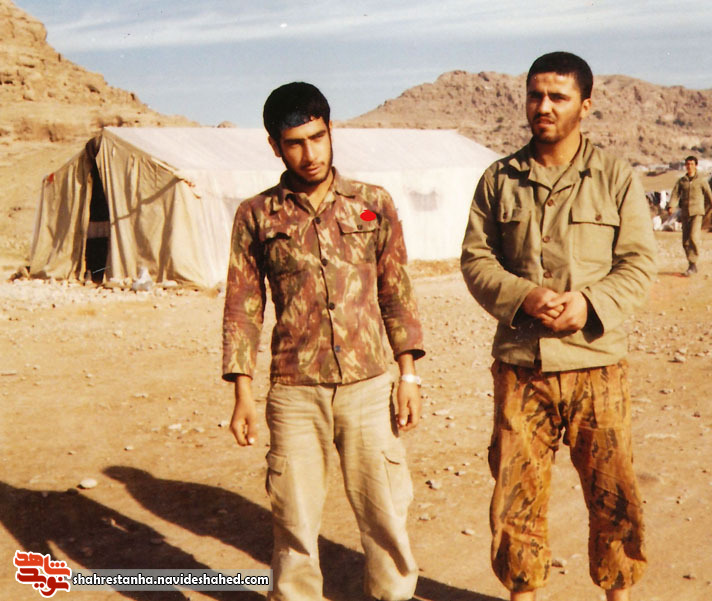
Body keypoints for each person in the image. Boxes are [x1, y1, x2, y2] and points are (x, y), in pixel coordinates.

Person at [460, 52, 656, 601]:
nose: (543, 107)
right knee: (516, 497)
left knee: (613, 496)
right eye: (535, 95)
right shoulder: (499, 179)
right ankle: (524, 594)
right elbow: (476, 259)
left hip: (596, 366)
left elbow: (638, 262)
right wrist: (524, 296)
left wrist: (589, 304)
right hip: (522, 369)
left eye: (558, 97)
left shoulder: (614, 177)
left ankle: (618, 593)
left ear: (585, 106)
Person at [222, 82, 424, 601]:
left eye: (317, 138)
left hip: (369, 387)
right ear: (275, 146)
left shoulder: (372, 205)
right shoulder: (256, 215)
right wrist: (242, 393)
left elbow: (396, 291)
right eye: (294, 143)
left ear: (331, 131)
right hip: (295, 391)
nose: (309, 154)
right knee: (294, 525)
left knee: (385, 518)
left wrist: (409, 375)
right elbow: (243, 305)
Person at [668, 155, 712, 275]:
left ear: (696, 166)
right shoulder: (682, 181)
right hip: (685, 213)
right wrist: (671, 205)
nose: (689, 166)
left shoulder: (701, 180)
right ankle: (691, 264)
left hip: (697, 213)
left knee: (693, 237)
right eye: (687, 164)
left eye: (691, 164)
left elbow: (709, 195)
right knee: (685, 241)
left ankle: (693, 263)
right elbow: (675, 194)